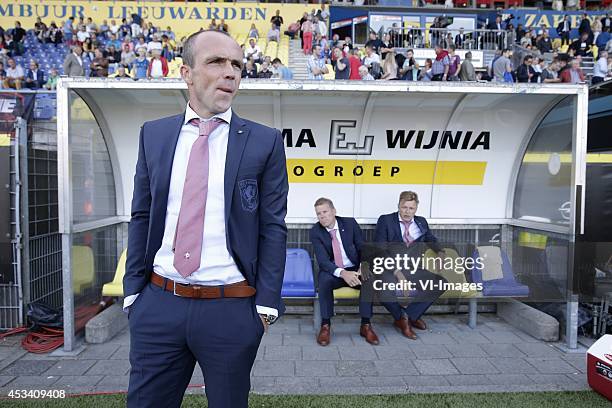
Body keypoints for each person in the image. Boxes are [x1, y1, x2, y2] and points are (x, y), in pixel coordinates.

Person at [124, 29, 288, 408]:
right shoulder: (154, 135)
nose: (230, 72)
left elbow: (273, 227)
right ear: (187, 73)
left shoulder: (265, 141)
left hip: (232, 310)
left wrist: (265, 306)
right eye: (216, 62)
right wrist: (134, 294)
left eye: (237, 65)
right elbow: (142, 214)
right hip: (159, 304)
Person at [310, 198, 385, 346]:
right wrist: (343, 273)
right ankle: (325, 326)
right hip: (335, 272)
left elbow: (363, 248)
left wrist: (362, 268)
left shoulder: (349, 224)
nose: (322, 216)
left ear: (333, 211)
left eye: (325, 212)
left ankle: (366, 324)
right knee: (323, 279)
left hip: (355, 269)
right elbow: (323, 261)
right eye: (319, 214)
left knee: (368, 279)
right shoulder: (315, 231)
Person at [374, 191, 447, 337]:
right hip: (390, 269)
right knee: (382, 290)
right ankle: (405, 318)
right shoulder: (386, 220)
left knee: (441, 283)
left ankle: (408, 317)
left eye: (411, 208)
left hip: (412, 268)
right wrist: (398, 274)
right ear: (398, 206)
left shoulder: (421, 222)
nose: (407, 212)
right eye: (404, 207)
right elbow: (380, 250)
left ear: (416, 208)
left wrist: (440, 252)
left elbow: (430, 239)